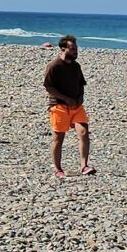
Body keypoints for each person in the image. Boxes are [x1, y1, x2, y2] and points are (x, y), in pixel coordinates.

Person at [45, 36, 92, 177]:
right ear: (63, 49)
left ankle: (84, 166)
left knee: (84, 133)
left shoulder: (76, 66)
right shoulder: (54, 66)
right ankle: (58, 169)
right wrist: (65, 98)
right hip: (59, 107)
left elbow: (81, 83)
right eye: (72, 48)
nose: (75, 51)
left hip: (76, 106)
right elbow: (48, 87)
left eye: (76, 48)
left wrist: (80, 98)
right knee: (59, 138)